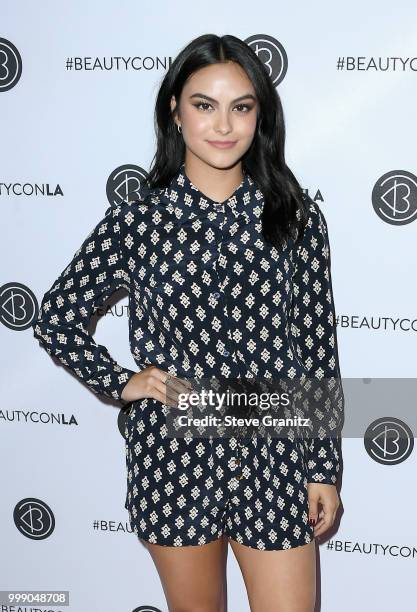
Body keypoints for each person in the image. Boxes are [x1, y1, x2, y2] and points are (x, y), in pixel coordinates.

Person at [32, 33, 344, 612]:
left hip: (273, 454)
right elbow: (56, 317)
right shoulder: (139, 219)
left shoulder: (295, 217)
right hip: (173, 460)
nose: (223, 124)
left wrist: (322, 465)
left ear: (260, 117)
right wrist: (122, 381)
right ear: (175, 111)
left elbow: (317, 350)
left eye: (241, 106)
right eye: (205, 104)